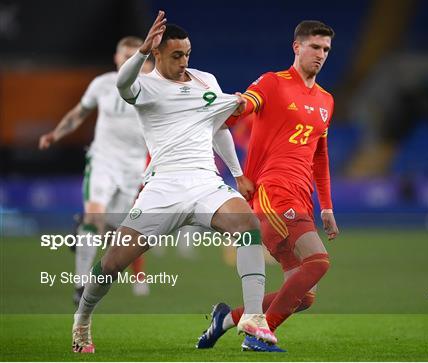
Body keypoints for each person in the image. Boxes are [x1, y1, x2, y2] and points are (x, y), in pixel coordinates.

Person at [71, 11, 281, 354]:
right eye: (176, 55)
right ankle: (82, 319)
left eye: (187, 54)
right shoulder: (145, 87)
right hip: (162, 189)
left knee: (246, 223)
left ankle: (254, 316)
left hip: (204, 183)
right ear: (156, 54)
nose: (184, 62)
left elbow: (221, 128)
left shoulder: (205, 81)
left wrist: (238, 173)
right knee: (112, 263)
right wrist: (139, 53)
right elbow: (123, 84)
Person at [197, 20, 339, 349]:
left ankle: (228, 318)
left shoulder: (326, 101)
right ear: (297, 47)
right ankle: (260, 333)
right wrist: (236, 104)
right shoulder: (274, 83)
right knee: (318, 262)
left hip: (301, 198)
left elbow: (321, 157)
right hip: (273, 192)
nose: (321, 55)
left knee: (303, 297)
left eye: (326, 50)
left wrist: (327, 205)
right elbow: (243, 108)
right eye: (315, 47)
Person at [38, 36, 154, 304]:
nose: (127, 61)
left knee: (116, 230)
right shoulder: (102, 84)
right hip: (103, 160)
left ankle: (84, 229)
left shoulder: (153, 88)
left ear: (143, 61)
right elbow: (79, 113)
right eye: (123, 56)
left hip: (133, 167)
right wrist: (55, 134)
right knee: (96, 216)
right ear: (116, 58)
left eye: (133, 56)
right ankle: (80, 285)